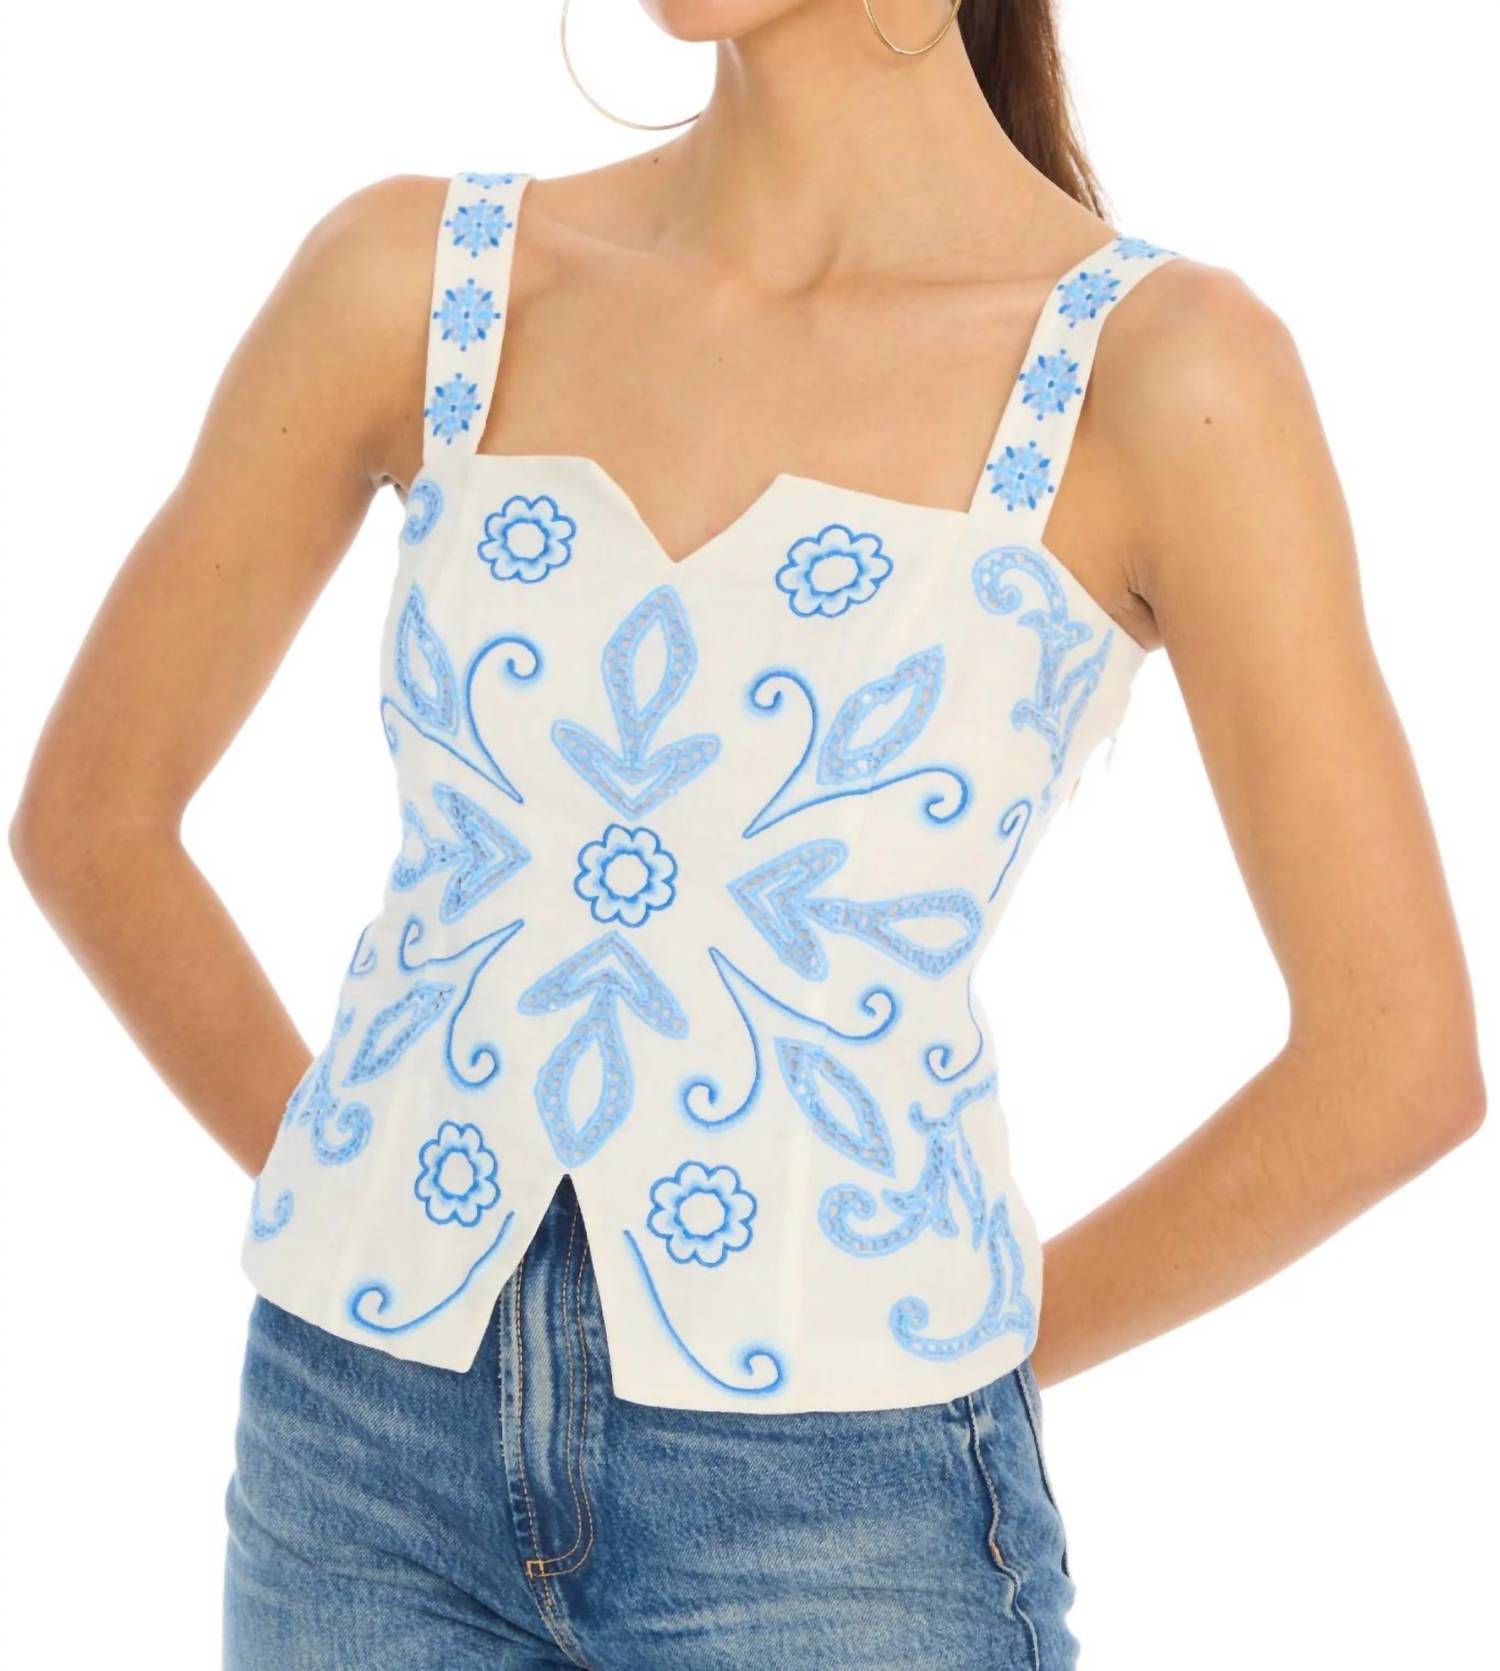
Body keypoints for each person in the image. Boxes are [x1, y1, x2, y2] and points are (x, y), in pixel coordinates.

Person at [10, 2, 1484, 1666]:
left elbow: (1396, 1063)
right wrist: (384, 1201)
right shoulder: (421, 280)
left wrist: (951, 1366)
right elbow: (93, 819)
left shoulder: (1161, 372)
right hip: (355, 1464)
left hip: (843, 1523)